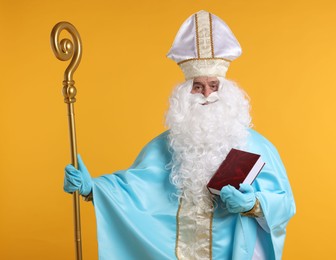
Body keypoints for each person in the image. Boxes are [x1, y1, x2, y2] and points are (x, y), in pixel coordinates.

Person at [64, 10, 295, 260]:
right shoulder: (165, 147)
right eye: (198, 86)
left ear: (227, 90)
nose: (207, 94)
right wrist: (92, 189)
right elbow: (133, 192)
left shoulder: (257, 147)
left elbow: (285, 204)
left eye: (213, 85)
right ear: (186, 93)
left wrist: (254, 205)